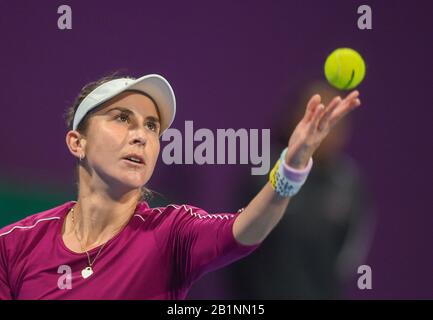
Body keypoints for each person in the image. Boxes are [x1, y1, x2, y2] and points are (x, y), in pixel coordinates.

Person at [0, 73, 362, 300]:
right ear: (77, 142)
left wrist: (291, 168)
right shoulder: (14, 245)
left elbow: (246, 229)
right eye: (122, 118)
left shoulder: (172, 233)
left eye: (152, 126)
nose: (141, 135)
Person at [227, 81, 374, 299]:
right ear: (295, 120)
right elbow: (237, 245)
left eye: (335, 120)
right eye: (317, 116)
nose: (325, 128)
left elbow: (348, 256)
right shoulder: (261, 174)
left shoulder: (349, 185)